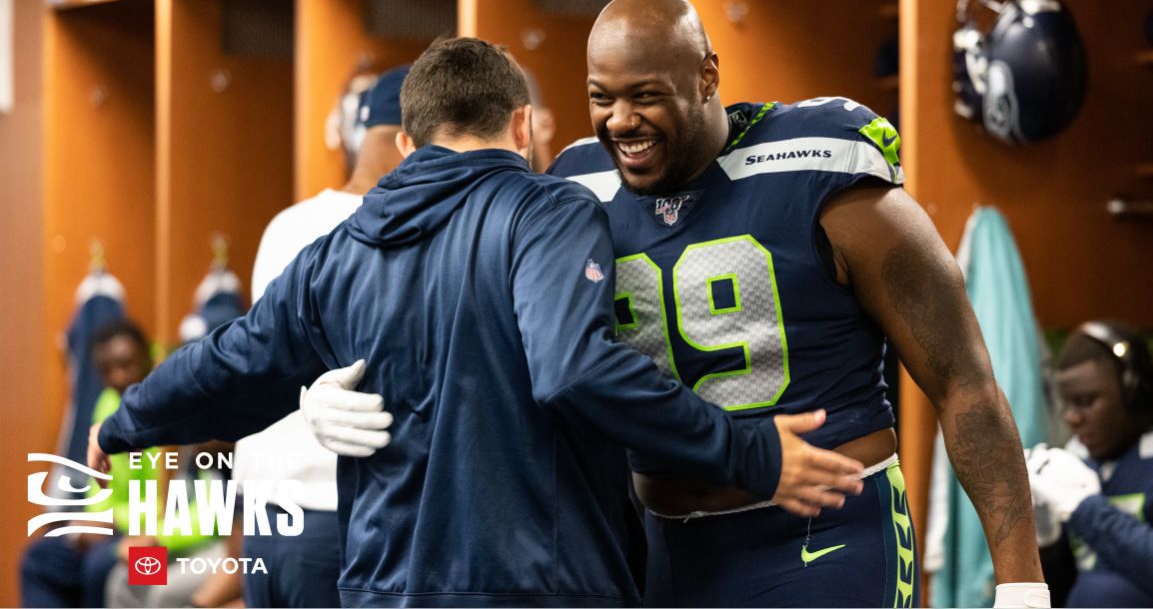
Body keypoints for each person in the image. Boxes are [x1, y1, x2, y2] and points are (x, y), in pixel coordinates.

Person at [313, 0, 1048, 607]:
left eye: (645, 97)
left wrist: (1022, 586)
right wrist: (336, 392)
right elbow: (472, 342)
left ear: (706, 77)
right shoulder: (573, 196)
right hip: (666, 550)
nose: (620, 122)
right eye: (601, 99)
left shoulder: (824, 175)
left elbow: (965, 383)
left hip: (828, 536)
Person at [87, 37, 863, 607]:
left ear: (403, 141)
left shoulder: (340, 250)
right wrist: (748, 450)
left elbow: (231, 362)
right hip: (538, 587)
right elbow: (575, 370)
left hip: (384, 588)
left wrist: (124, 425)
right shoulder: (547, 211)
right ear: (522, 127)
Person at [233, 65, 408, 608]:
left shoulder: (287, 223)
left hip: (266, 522)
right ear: (411, 142)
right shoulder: (394, 231)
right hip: (335, 520)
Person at [23, 320, 214, 607]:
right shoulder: (110, 404)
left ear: (148, 357)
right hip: (128, 531)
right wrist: (99, 523)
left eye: (127, 364)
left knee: (102, 568)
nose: (119, 377)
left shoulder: (182, 410)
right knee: (41, 559)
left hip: (176, 543)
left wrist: (149, 534)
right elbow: (100, 490)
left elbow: (213, 515)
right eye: (107, 370)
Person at [1027, 320, 1153, 608]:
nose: (1072, 418)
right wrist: (1046, 545)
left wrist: (1086, 510)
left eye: (1085, 401)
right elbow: (1059, 594)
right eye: (1068, 405)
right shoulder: (1075, 460)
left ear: (1135, 391)